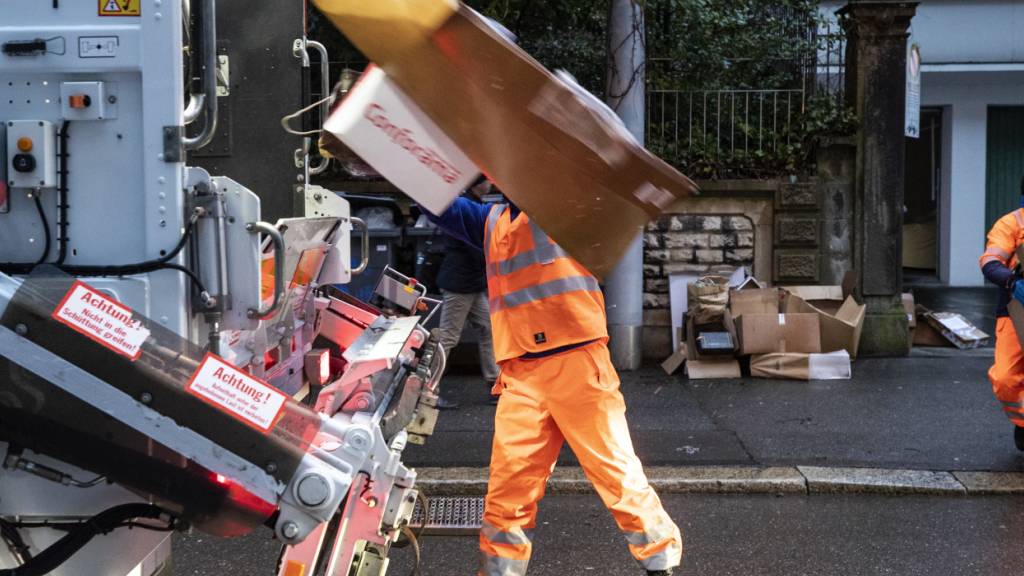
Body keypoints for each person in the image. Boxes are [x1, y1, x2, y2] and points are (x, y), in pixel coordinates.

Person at [426, 192, 682, 576]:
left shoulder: (571, 207)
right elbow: (437, 202)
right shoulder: (492, 219)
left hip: (575, 362)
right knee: (508, 488)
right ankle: (499, 571)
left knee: (616, 472)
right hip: (523, 372)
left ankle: (661, 564)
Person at [434, 194, 501, 409]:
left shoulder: (469, 205)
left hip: (471, 284)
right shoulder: (467, 212)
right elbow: (478, 251)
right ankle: (426, 389)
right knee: (448, 338)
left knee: (487, 328)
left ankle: (495, 382)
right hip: (460, 285)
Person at [980, 176, 1024, 451]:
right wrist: (1012, 282)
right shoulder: (1012, 223)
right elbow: (990, 261)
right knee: (1006, 377)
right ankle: (1022, 424)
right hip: (1015, 308)